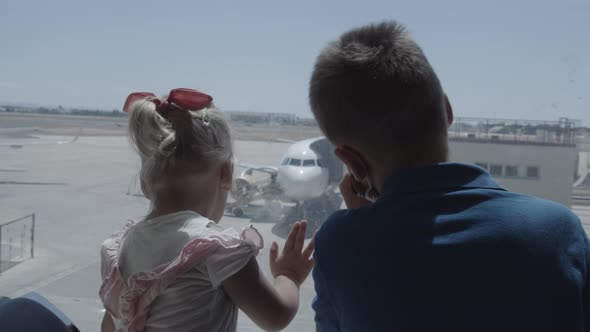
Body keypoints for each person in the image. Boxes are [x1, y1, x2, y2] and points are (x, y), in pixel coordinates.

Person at [308, 21, 590, 331]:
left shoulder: (339, 245)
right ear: (447, 110)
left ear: (352, 163)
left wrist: (363, 223)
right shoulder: (556, 230)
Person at [99, 88, 314, 332]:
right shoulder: (214, 250)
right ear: (226, 174)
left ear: (143, 183)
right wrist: (289, 276)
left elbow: (111, 324)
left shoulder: (123, 246)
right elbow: (274, 317)